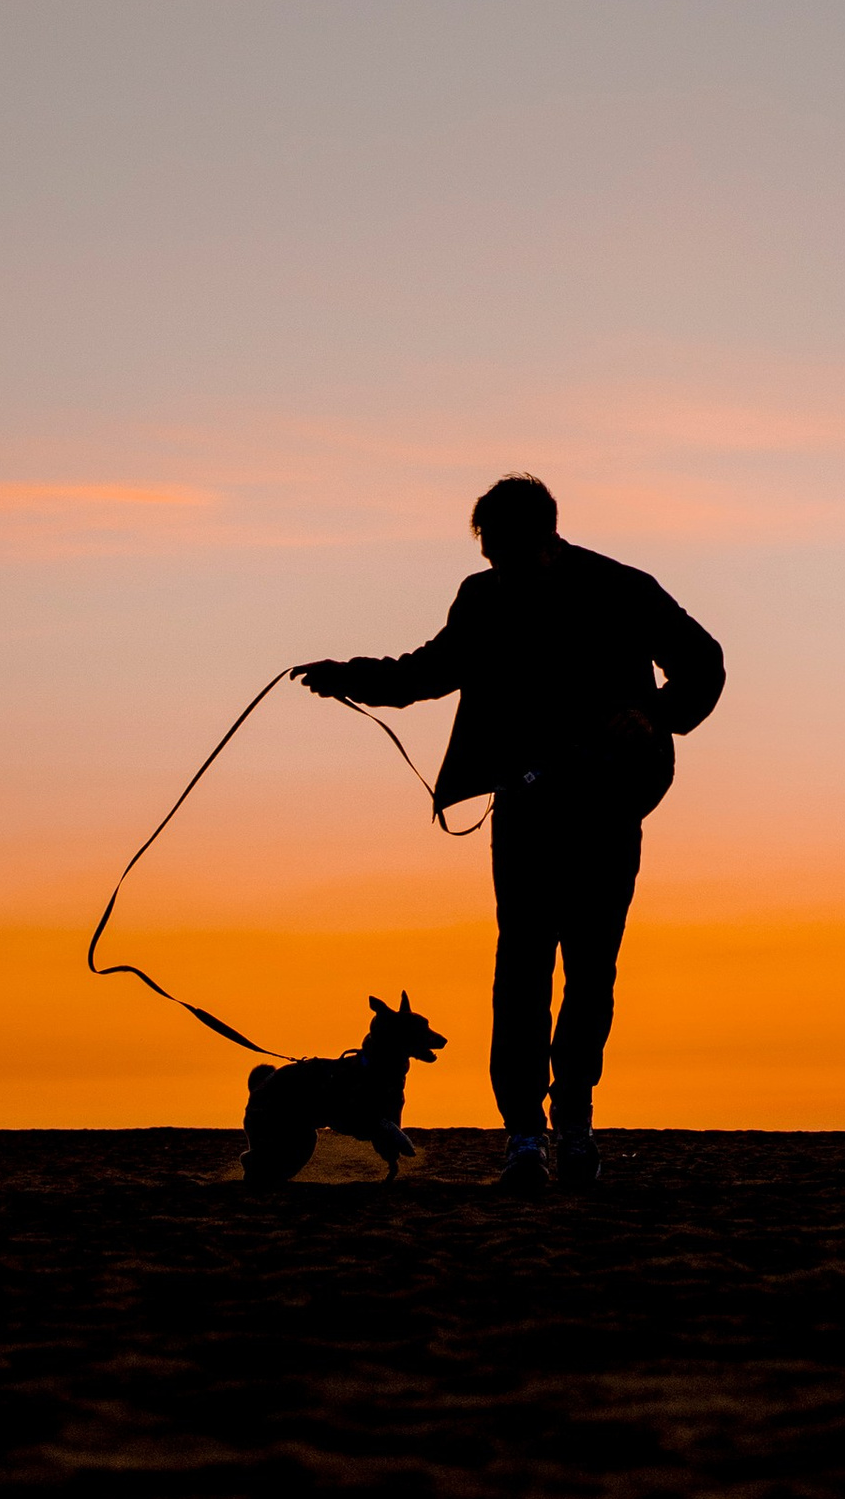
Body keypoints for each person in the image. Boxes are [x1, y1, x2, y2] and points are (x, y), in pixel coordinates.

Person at [296, 476, 724, 1194]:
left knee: (591, 968)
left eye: (500, 547)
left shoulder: (623, 588)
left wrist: (654, 715)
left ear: (542, 536)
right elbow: (428, 672)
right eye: (485, 549)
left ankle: (575, 1115)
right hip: (525, 802)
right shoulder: (484, 597)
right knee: (521, 968)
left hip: (611, 800)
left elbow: (703, 662)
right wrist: (348, 677)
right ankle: (525, 1135)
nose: (492, 561)